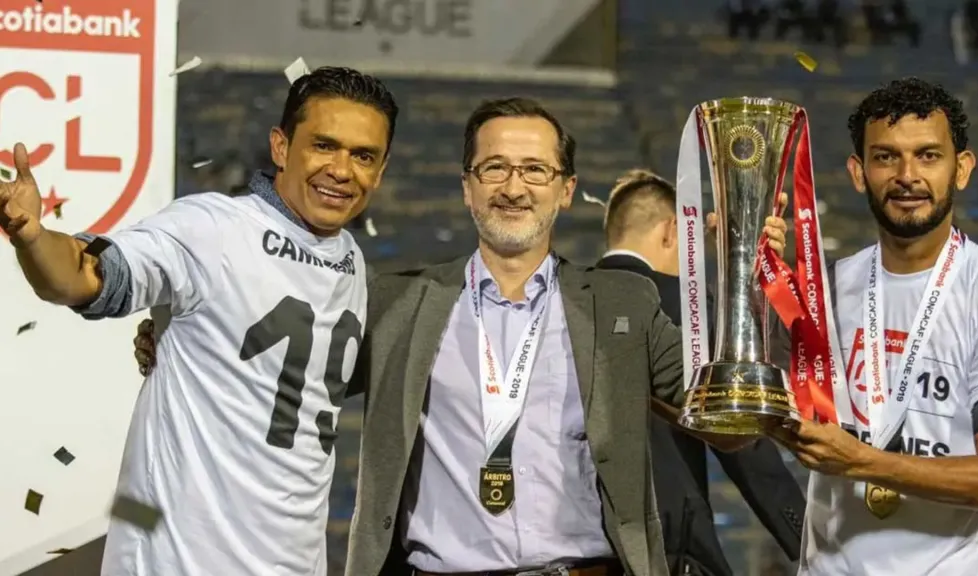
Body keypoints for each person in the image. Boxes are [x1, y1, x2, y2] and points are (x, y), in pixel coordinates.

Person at [131, 97, 788, 576]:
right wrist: (187, 337)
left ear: (565, 192)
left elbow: (728, 420)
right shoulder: (395, 301)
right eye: (494, 169)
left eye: (535, 171)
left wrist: (745, 288)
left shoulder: (623, 304)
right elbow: (289, 370)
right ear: (467, 189)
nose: (513, 187)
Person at [1, 66, 397, 576]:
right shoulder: (209, 228)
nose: (342, 170)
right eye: (324, 145)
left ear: (381, 171)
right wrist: (34, 237)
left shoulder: (351, 260)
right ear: (281, 147)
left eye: (363, 156)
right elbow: (84, 276)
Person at [770, 77, 978, 575]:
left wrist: (862, 462)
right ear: (859, 172)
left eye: (928, 156)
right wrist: (743, 274)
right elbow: (742, 433)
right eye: (886, 157)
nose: (907, 176)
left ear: (962, 169)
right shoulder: (826, 292)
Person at [596, 169, 806, 575]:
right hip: (670, 547)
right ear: (673, 230)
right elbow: (740, 435)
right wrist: (807, 538)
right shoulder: (678, 303)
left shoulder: (566, 300)